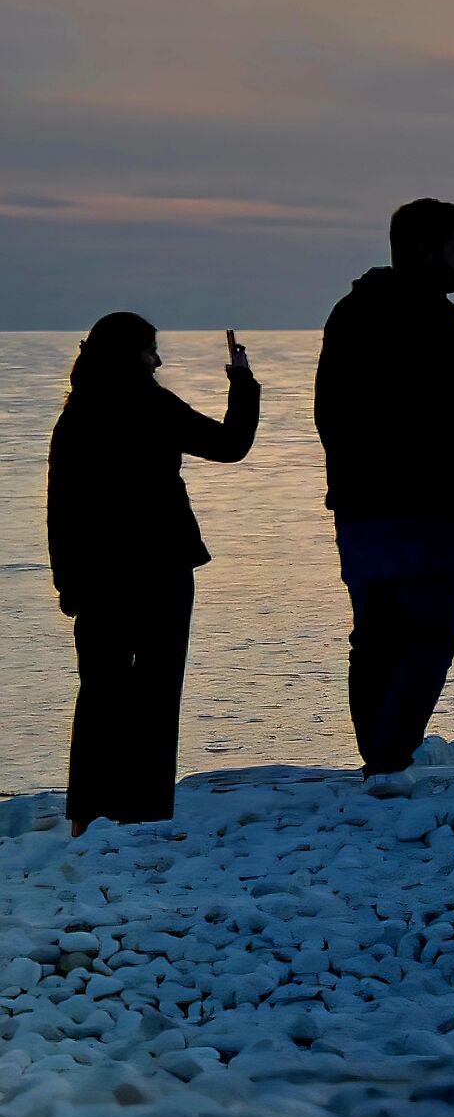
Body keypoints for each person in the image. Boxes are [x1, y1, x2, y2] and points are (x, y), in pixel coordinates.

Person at [47, 314, 260, 833]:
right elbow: (231, 444)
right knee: (156, 693)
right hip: (161, 570)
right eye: (150, 351)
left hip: (98, 578)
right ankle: (143, 809)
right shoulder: (152, 405)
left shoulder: (76, 416)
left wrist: (67, 583)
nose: (158, 360)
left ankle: (88, 811)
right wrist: (242, 380)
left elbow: (60, 509)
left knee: (100, 693)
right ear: (131, 356)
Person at [316, 198, 454, 785]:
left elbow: (329, 412)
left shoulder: (350, 312)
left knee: (376, 637)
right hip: (428, 507)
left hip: (362, 505)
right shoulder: (431, 321)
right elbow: (436, 417)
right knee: (430, 635)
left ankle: (381, 757)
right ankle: (388, 757)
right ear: (424, 251)